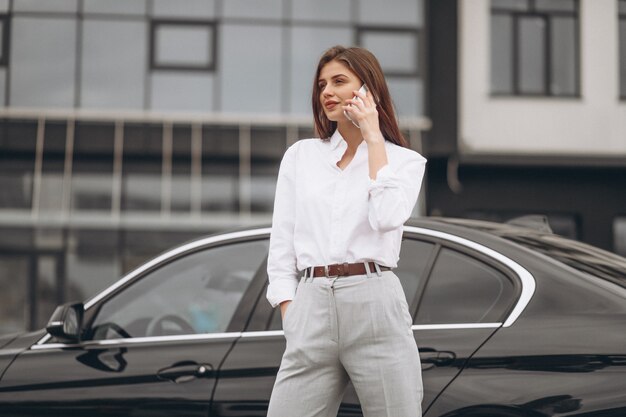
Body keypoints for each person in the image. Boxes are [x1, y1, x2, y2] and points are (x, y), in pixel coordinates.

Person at [266, 45, 426, 417]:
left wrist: (373, 139)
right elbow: (282, 242)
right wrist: (291, 311)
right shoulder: (301, 156)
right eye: (322, 84)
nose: (327, 92)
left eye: (339, 81)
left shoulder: (404, 162)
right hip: (311, 304)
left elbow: (386, 218)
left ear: (368, 90)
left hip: (374, 301)